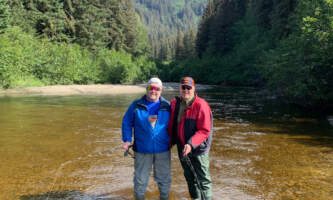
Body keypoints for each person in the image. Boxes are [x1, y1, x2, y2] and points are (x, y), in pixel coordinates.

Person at [122, 77, 171, 200]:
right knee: (140, 180)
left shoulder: (168, 106)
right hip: (142, 150)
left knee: (164, 180)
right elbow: (127, 122)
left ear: (161, 90)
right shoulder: (136, 105)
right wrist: (127, 140)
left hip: (163, 150)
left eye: (157, 89)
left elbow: (178, 124)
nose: (153, 91)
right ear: (146, 89)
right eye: (150, 88)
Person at [168, 77, 213, 200]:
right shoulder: (174, 104)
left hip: (199, 149)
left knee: (203, 180)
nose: (186, 90)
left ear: (194, 89)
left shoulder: (201, 105)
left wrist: (191, 144)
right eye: (183, 87)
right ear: (179, 88)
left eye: (189, 87)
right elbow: (168, 123)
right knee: (189, 178)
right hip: (182, 148)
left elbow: (204, 130)